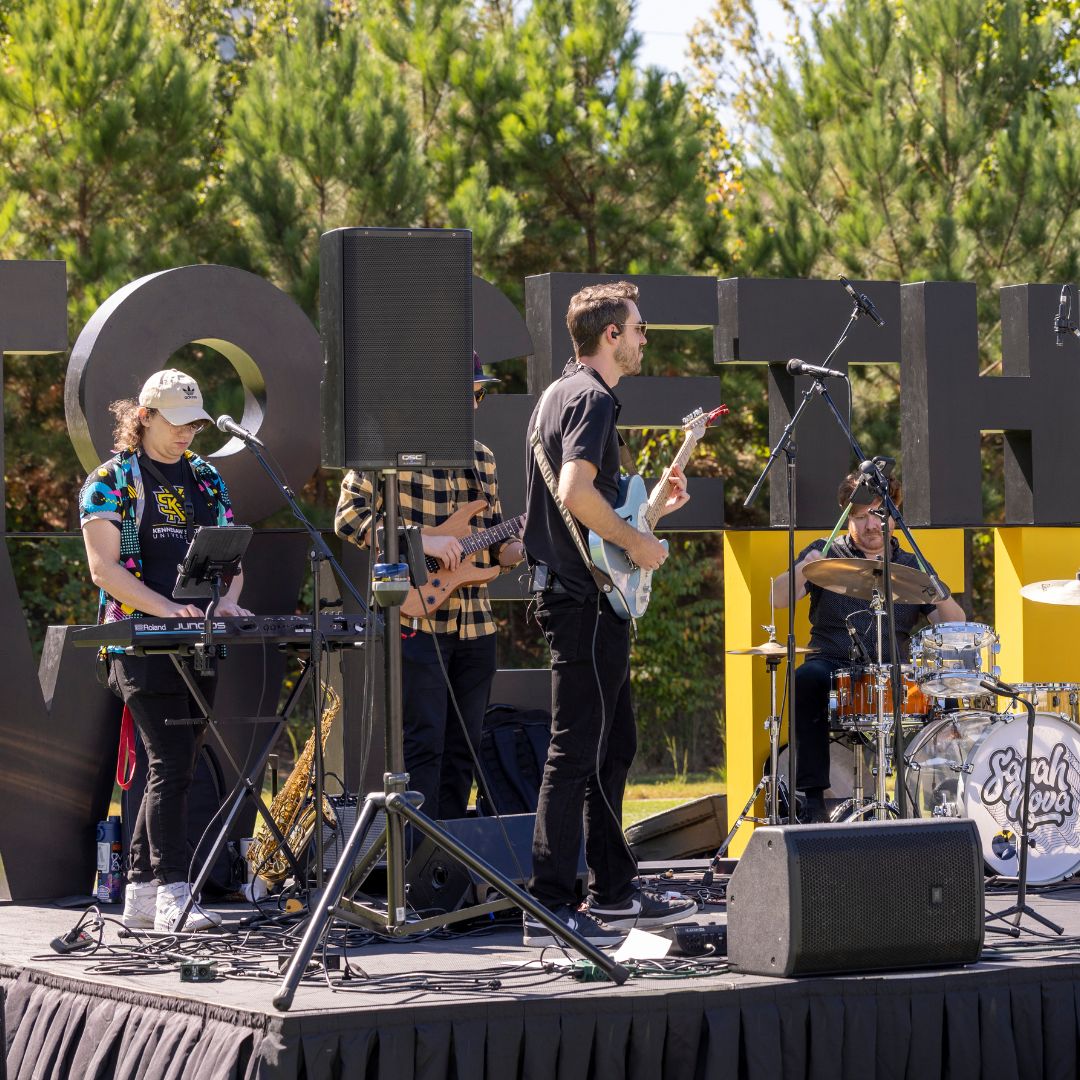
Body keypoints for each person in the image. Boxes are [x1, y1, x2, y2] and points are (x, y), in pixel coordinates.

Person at [521, 281, 697, 948]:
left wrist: (649, 514)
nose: (645, 338)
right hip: (582, 601)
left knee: (611, 746)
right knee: (574, 751)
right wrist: (640, 543)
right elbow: (573, 492)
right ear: (610, 336)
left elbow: (589, 510)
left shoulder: (559, 394)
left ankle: (614, 894)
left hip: (584, 595)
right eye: (638, 328)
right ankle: (548, 906)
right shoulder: (592, 397)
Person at [80, 369, 251, 931]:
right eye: (176, 423)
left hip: (198, 637)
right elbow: (103, 568)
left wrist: (225, 602)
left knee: (174, 761)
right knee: (170, 760)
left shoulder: (205, 477)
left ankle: (140, 890)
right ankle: (174, 888)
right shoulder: (110, 479)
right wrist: (163, 608)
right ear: (145, 416)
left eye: (195, 424)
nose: (187, 434)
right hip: (139, 639)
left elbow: (230, 556)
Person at [334, 353, 524, 828]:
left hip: (476, 623)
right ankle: (415, 871)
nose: (477, 402)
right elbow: (348, 518)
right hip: (416, 619)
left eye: (481, 394)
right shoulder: (385, 451)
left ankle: (450, 871)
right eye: (471, 393)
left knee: (464, 749)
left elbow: (495, 533)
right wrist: (422, 539)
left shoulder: (482, 458)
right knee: (423, 745)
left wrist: (512, 549)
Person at [772, 471, 965, 822]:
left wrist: (939, 591)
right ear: (847, 518)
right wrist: (804, 567)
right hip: (832, 661)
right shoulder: (827, 552)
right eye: (861, 516)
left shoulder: (910, 565)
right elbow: (777, 597)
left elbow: (954, 622)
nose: (871, 524)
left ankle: (940, 804)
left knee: (945, 693)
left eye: (880, 514)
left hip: (894, 669)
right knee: (805, 679)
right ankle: (813, 798)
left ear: (895, 517)